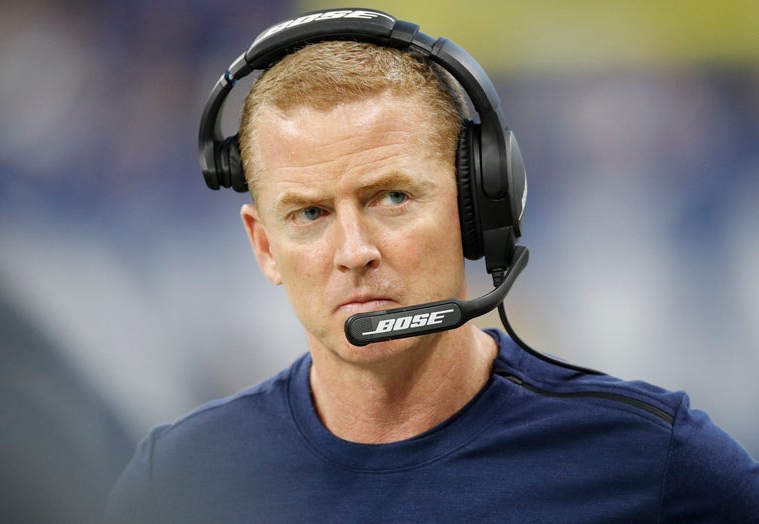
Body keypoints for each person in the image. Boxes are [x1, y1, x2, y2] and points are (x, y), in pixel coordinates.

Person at [105, 8, 758, 522]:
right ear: (265, 247)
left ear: (474, 209)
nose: (354, 251)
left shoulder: (651, 460)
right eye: (309, 214)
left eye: (391, 198)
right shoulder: (178, 480)